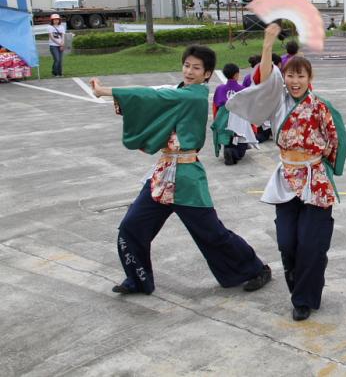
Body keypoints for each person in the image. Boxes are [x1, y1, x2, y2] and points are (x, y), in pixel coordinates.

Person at [89, 45, 272, 296]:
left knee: (212, 234)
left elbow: (151, 97)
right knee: (131, 227)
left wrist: (104, 91)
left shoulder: (194, 96)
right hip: (163, 175)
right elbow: (156, 96)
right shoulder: (180, 91)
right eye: (187, 65)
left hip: (186, 178)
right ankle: (137, 279)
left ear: (207, 74)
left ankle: (256, 269)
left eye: (196, 68)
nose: (189, 71)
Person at [226, 23, 346, 321]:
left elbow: (337, 138)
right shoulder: (277, 100)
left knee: (312, 242)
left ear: (310, 78)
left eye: (300, 76)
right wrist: (267, 43)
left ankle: (304, 299)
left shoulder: (321, 106)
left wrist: (327, 168)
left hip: (315, 179)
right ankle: (297, 286)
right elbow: (266, 77)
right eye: (290, 75)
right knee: (286, 242)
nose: (294, 80)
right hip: (286, 177)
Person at [211, 63, 254, 165]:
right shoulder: (242, 89)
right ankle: (234, 153)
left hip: (223, 120)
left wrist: (217, 121)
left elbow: (215, 106)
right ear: (236, 75)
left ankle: (228, 149)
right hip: (238, 121)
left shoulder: (219, 88)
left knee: (228, 140)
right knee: (241, 148)